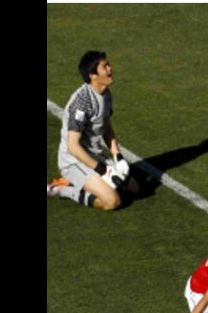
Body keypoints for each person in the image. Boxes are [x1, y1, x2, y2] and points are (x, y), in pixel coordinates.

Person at [47, 50, 139, 210]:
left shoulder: (106, 94)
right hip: (74, 160)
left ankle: (81, 180)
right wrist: (103, 170)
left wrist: (118, 157)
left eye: (108, 64)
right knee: (112, 201)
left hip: (93, 155)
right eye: (105, 66)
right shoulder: (82, 103)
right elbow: (73, 146)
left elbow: (107, 126)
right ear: (93, 75)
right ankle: (62, 189)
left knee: (134, 189)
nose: (110, 69)